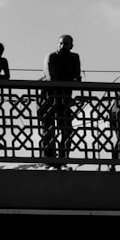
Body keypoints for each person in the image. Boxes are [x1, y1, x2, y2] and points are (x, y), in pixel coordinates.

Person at [39, 34, 82, 169]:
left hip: (65, 99)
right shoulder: (51, 57)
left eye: (66, 44)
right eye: (61, 43)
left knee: (66, 130)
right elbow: (51, 78)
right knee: (49, 130)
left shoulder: (74, 58)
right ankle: (49, 161)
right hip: (49, 98)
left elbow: (76, 76)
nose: (63, 46)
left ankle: (62, 160)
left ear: (71, 45)